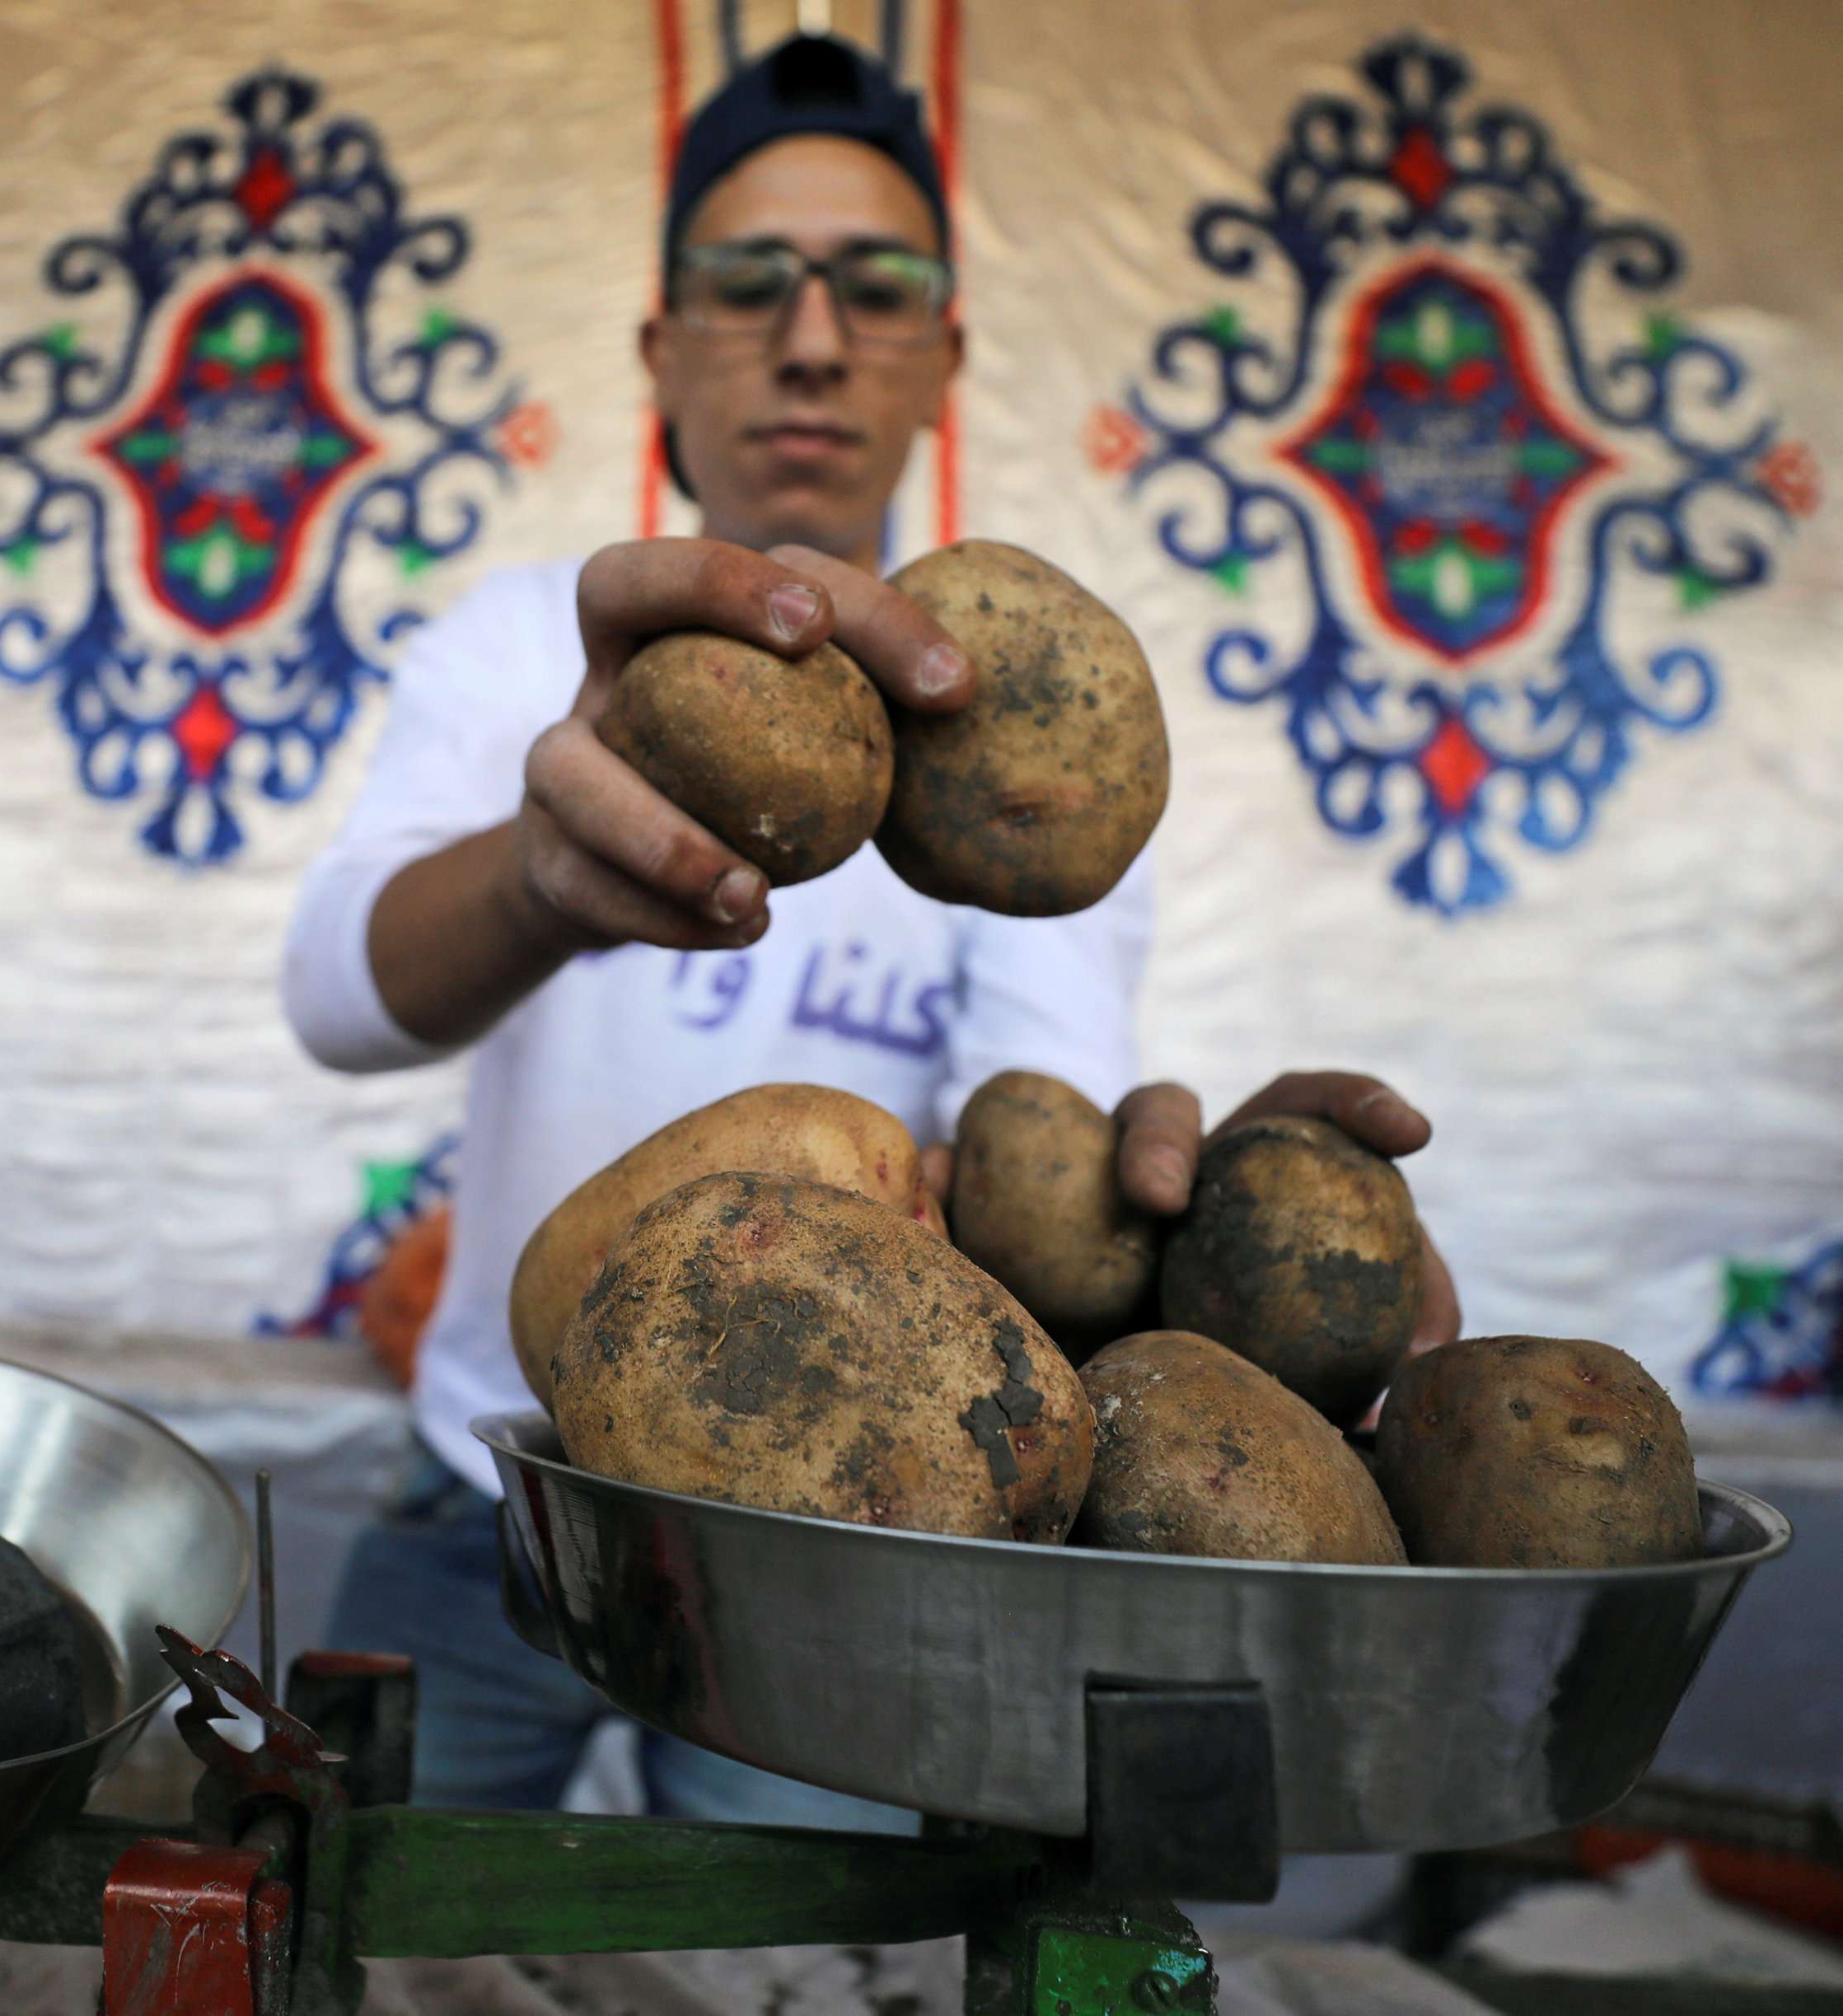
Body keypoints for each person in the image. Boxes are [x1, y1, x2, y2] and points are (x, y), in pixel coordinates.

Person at [280, 35, 1457, 1825]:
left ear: (944, 356)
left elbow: (1039, 1124)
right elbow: (335, 999)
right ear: (659, 349)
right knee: (342, 1901)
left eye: (875, 283)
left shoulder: (1031, 739)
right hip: (493, 1485)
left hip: (839, 1529)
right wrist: (539, 864)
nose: (810, 336)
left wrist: (1215, 1233)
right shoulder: (517, 644)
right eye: (745, 281)